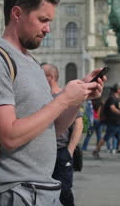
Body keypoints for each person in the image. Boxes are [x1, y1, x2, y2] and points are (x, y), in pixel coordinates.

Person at [0, 0, 104, 206]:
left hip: (42, 188)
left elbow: (51, 130)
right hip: (13, 191)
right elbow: (10, 137)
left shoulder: (31, 62)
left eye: (50, 21)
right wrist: (62, 100)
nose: (48, 29)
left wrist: (76, 100)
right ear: (17, 13)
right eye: (43, 20)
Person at [42, 63, 83, 206]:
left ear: (50, 77)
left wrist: (70, 150)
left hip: (61, 151)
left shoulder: (66, 96)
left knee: (64, 191)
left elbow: (79, 124)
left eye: (42, 75)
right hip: (43, 153)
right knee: (44, 192)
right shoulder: (41, 97)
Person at [92, 83, 120, 159]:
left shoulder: (119, 98)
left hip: (118, 122)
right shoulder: (112, 98)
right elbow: (112, 108)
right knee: (106, 137)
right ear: (118, 89)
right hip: (112, 122)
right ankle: (96, 150)